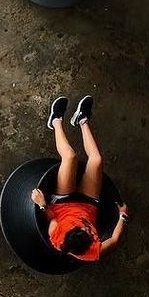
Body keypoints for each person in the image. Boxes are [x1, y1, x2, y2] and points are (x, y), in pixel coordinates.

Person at [31, 95, 129, 262]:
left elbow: (52, 217)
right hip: (89, 204)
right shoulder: (93, 252)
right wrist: (123, 216)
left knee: (70, 157)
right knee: (97, 160)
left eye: (80, 229)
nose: (84, 227)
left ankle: (55, 120)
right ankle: (82, 119)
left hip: (63, 203)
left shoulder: (57, 237)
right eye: (87, 231)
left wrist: (41, 205)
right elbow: (114, 240)